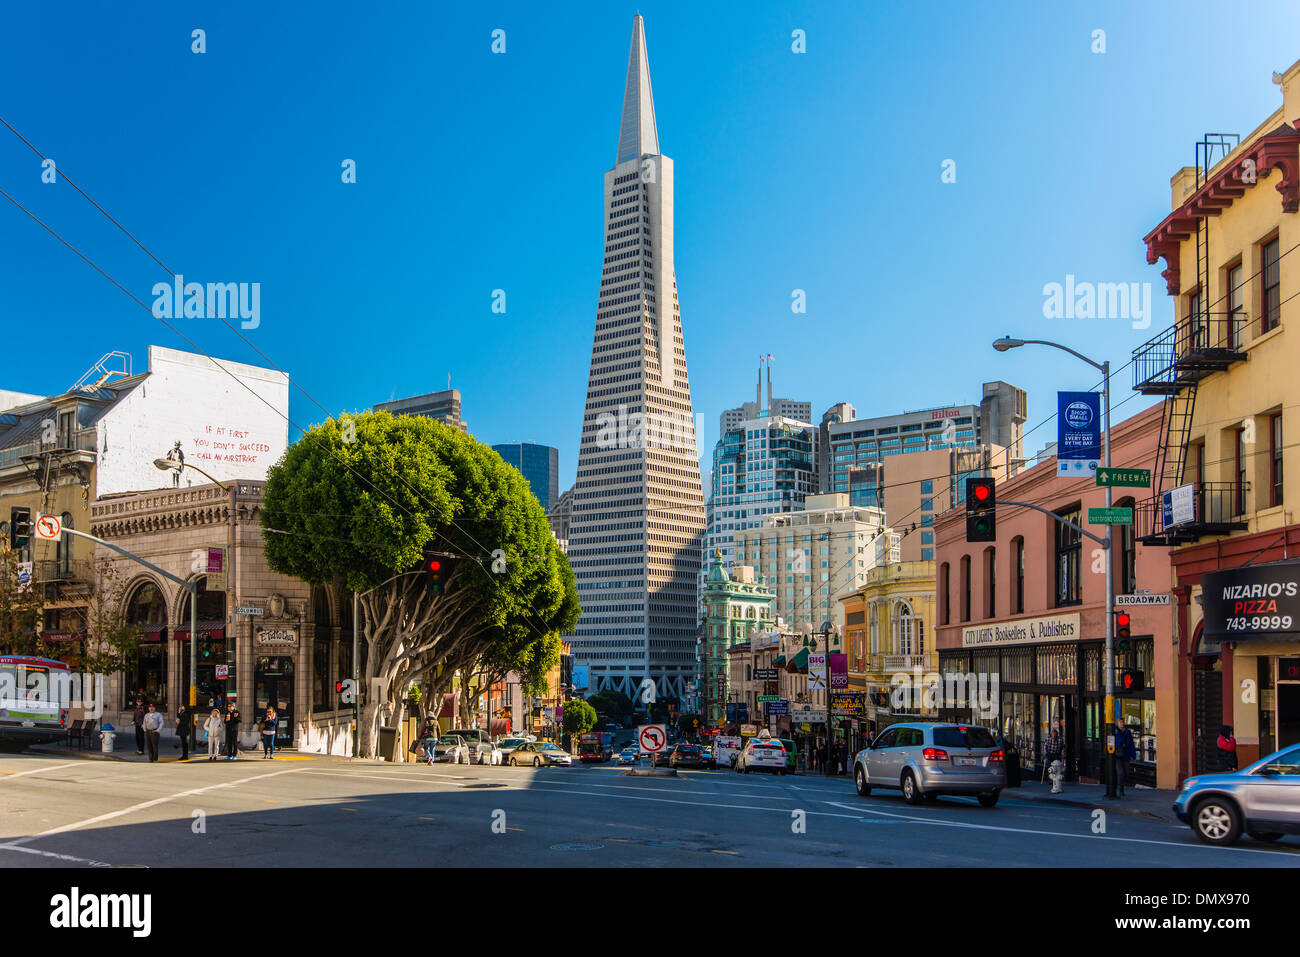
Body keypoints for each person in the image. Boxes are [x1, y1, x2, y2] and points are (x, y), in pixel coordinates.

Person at [1115, 719, 1137, 796]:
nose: (1122, 723)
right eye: (1120, 722)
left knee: (1126, 773)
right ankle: (1120, 789)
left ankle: (1121, 786)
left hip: (1126, 755)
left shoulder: (1128, 732)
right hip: (1117, 756)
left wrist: (1133, 756)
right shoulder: (1115, 732)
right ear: (1117, 723)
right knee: (1120, 773)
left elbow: (1131, 744)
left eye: (1123, 722)